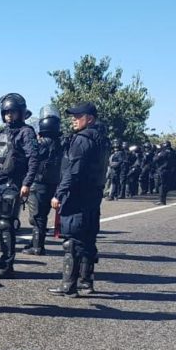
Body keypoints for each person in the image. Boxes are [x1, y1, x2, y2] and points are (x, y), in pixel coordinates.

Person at [48, 102, 107, 297]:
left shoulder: (82, 140)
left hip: (78, 197)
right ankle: (86, 282)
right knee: (88, 240)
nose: (74, 119)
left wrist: (59, 193)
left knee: (72, 242)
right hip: (93, 197)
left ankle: (69, 285)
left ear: (89, 118)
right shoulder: (101, 139)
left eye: (78, 116)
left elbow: (74, 171)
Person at [0, 93, 38, 278]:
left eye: (12, 112)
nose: (9, 116)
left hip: (12, 184)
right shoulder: (2, 133)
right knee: (0, 223)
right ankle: (3, 260)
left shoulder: (26, 132)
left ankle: (8, 265)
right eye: (6, 113)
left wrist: (27, 183)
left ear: (20, 113)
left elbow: (33, 159)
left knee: (6, 223)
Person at [24, 106, 62, 255]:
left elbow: (30, 158)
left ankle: (37, 246)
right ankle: (35, 242)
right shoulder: (60, 144)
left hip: (38, 183)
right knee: (42, 215)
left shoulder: (40, 144)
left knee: (36, 217)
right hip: (51, 184)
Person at [153, 141, 176, 205]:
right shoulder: (173, 152)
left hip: (162, 170)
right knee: (165, 186)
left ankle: (161, 200)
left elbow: (155, 159)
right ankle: (163, 200)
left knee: (161, 186)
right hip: (170, 171)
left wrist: (157, 153)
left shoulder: (163, 152)